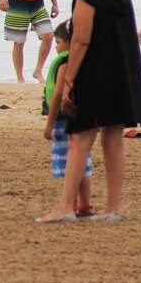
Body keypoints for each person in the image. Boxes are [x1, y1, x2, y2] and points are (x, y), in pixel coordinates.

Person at [37, 0, 141, 224]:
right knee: (113, 141)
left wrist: (69, 80)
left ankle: (65, 207)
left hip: (96, 74)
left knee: (79, 140)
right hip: (123, 73)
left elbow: (81, 41)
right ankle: (111, 208)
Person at [43, 21, 94, 218]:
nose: (56, 47)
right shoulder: (83, 61)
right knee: (84, 162)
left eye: (58, 42)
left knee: (68, 162)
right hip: (81, 117)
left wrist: (49, 124)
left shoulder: (65, 64)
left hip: (64, 119)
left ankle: (70, 203)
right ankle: (85, 204)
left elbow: (57, 95)